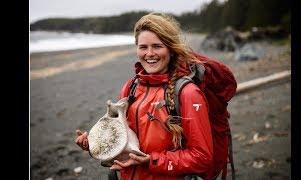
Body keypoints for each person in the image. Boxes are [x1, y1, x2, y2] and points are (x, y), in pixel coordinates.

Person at [75, 12, 215, 179]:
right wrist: (96, 145)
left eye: (157, 46)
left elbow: (202, 157)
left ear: (171, 49)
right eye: (143, 47)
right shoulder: (130, 87)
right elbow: (125, 144)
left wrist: (151, 161)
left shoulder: (188, 93)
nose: (149, 53)